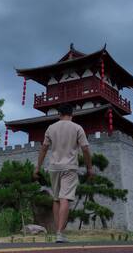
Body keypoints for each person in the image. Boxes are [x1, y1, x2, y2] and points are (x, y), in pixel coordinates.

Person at [33, 103, 93, 243]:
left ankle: (57, 231)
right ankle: (60, 233)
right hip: (69, 167)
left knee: (56, 199)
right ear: (72, 114)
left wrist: (37, 167)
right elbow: (85, 149)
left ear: (59, 114)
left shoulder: (51, 128)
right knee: (65, 197)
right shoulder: (77, 128)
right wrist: (89, 167)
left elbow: (44, 148)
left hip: (54, 167)